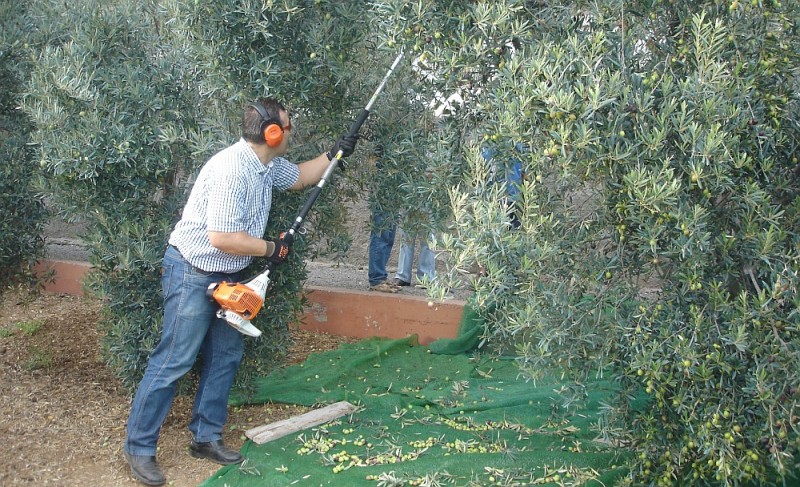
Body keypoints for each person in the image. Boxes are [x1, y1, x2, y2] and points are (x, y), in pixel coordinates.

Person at [123, 98, 358, 486]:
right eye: (287, 126)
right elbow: (223, 238)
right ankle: (139, 448)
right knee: (174, 361)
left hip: (231, 278)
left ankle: (206, 437)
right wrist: (272, 248)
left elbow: (300, 176)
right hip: (193, 272)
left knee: (225, 357)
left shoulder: (264, 165)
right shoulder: (233, 169)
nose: (290, 132)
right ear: (271, 133)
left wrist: (333, 153)